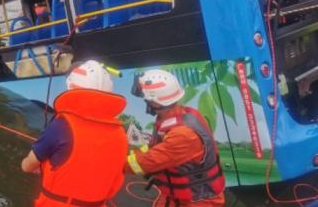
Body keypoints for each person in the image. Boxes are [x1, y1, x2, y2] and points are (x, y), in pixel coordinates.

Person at [21, 60, 128, 206]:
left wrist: (37, 166)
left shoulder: (62, 125)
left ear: (71, 87)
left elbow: (27, 166)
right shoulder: (120, 133)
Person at [128, 69, 225, 207]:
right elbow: (155, 148)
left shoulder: (183, 135)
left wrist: (118, 163)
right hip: (177, 197)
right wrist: (130, 150)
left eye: (145, 98)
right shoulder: (176, 117)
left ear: (155, 103)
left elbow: (147, 162)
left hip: (199, 201)